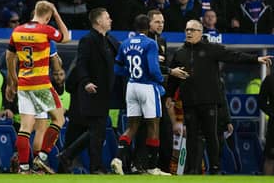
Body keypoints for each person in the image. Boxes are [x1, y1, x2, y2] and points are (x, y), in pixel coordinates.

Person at [166, 19, 272, 174]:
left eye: (192, 30)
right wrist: (170, 96)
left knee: (211, 136)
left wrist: (255, 59)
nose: (188, 32)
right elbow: (175, 77)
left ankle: (215, 168)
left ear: (200, 33)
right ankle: (192, 169)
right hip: (189, 102)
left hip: (209, 102)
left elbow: (233, 56)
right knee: (192, 137)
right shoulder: (180, 53)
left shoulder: (211, 49)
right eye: (187, 29)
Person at [5, 0, 70, 174]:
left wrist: (12, 81)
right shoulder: (46, 30)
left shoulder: (17, 30)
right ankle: (41, 157)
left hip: (24, 85)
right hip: (41, 84)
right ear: (47, 16)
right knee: (59, 118)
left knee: (25, 127)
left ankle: (24, 167)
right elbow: (66, 37)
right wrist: (56, 14)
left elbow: (9, 56)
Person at [58, 7, 119, 174]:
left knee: (96, 131)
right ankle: (94, 166)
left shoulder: (110, 40)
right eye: (107, 18)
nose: (110, 20)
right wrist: (85, 82)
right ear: (98, 21)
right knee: (97, 131)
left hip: (104, 93)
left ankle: (67, 155)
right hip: (91, 92)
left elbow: (122, 56)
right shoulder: (88, 40)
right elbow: (81, 64)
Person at [111, 14, 171, 176]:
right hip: (147, 87)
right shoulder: (150, 43)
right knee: (153, 125)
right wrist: (160, 80)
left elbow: (117, 69)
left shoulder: (125, 43)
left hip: (132, 86)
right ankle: (152, 167)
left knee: (132, 126)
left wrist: (131, 72)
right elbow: (153, 69)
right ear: (148, 27)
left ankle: (118, 159)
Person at [132, 9, 187, 173]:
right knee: (144, 129)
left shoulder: (161, 40)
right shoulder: (142, 41)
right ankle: (139, 165)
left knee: (164, 130)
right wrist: (167, 68)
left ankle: (161, 167)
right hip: (144, 91)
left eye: (162, 22)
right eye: (157, 22)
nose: (161, 25)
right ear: (148, 23)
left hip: (159, 92)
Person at [258, 65, 274, 175]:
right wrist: (272, 113)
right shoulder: (270, 80)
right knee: (270, 158)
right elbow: (261, 101)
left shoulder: (269, 79)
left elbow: (261, 101)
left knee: (270, 158)